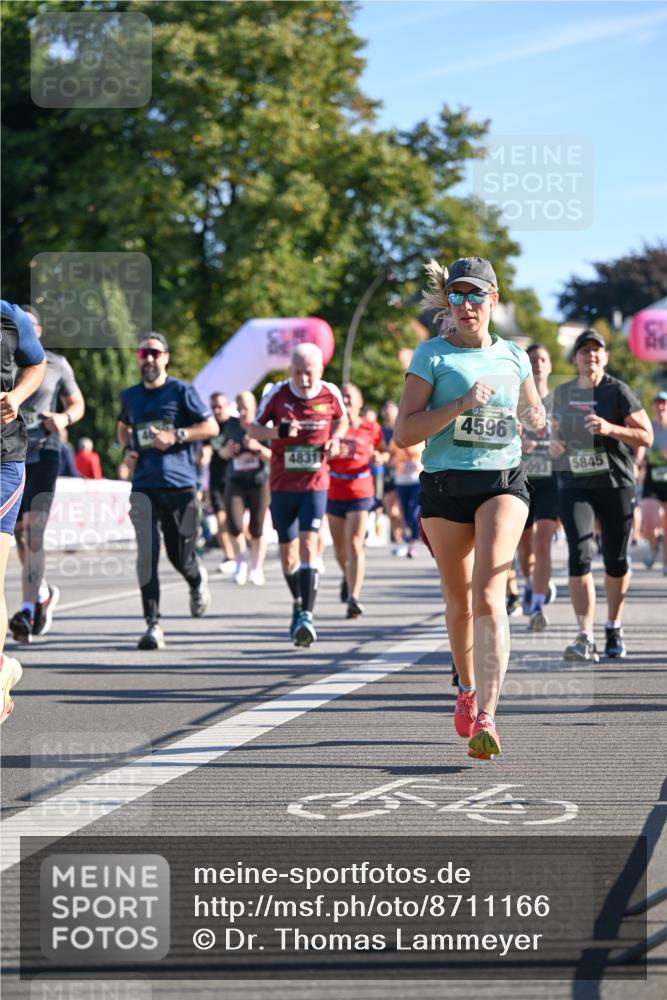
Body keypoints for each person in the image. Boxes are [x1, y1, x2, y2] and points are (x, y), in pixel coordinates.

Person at [396, 257, 545, 759]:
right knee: (458, 603)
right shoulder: (431, 356)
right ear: (448, 303)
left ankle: (488, 714)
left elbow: (532, 409)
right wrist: (459, 405)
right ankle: (465, 687)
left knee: (487, 594)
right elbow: (405, 433)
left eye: (475, 296)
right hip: (444, 486)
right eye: (456, 296)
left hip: (503, 481)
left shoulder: (514, 355)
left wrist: (539, 415)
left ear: (492, 301)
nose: (466, 305)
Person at [550, 330, 653, 661]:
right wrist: (555, 444)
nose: (590, 355)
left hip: (615, 482)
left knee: (615, 559)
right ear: (575, 358)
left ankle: (613, 624)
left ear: (605, 357)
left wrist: (611, 429)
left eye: (596, 350)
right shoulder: (563, 392)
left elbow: (645, 436)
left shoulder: (617, 391)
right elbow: (553, 433)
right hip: (575, 481)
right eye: (584, 350)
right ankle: (584, 635)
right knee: (578, 554)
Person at [117, 332, 219, 650]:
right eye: (143, 353)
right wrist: (127, 450)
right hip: (144, 486)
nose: (148, 358)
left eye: (154, 353)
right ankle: (153, 625)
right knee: (146, 556)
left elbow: (211, 427)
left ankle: (196, 578)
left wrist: (176, 435)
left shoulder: (181, 391)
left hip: (180, 486)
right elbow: (123, 426)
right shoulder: (131, 396)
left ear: (166, 357)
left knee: (180, 555)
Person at [249, 343, 346, 647]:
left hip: (315, 484)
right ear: (289, 370)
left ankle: (306, 614)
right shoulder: (277, 393)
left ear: (320, 370)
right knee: (287, 557)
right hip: (281, 485)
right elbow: (252, 431)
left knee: (308, 546)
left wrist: (335, 439)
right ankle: (298, 601)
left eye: (309, 373)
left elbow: (342, 420)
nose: (304, 379)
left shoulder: (330, 393)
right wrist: (277, 433)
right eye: (298, 372)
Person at [9, 305, 84, 644]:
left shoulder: (55, 363)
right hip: (12, 452)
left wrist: (65, 419)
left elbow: (77, 404)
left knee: (34, 530)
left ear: (38, 329)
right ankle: (40, 592)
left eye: (29, 324)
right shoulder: (4, 358)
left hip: (45, 451)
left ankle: (27, 608)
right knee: (21, 534)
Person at [1, 300, 46, 723]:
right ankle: (4, 668)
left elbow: (37, 363)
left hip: (3, 459)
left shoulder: (9, 317)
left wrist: (16, 395)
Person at [327, 383, 385, 617]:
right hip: (334, 489)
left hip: (361, 489)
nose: (346, 401)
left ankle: (354, 597)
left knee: (354, 543)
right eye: (342, 397)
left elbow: (385, 450)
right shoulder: (332, 427)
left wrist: (380, 456)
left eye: (350, 397)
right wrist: (328, 453)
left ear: (360, 402)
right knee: (340, 549)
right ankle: (347, 576)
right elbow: (319, 456)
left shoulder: (371, 427)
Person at [517, 343, 559, 631]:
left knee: (543, 541)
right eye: (533, 360)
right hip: (521, 479)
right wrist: (519, 440)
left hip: (551, 481)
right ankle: (532, 583)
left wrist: (563, 445)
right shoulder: (516, 400)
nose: (538, 364)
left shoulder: (561, 400)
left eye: (543, 359)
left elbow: (578, 438)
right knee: (524, 545)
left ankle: (538, 605)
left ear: (550, 365)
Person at [219, 390, 271, 586]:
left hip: (259, 481)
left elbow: (274, 457)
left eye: (246, 408)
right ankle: (240, 563)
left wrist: (257, 447)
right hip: (236, 481)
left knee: (257, 527)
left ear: (254, 408)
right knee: (234, 524)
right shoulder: (231, 425)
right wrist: (227, 451)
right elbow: (221, 452)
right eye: (239, 408)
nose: (242, 413)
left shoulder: (263, 425)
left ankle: (256, 567)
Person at [207, 393, 238, 575]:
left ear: (227, 405)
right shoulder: (210, 426)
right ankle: (230, 557)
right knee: (220, 519)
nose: (217, 410)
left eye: (219, 406)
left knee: (236, 522)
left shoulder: (235, 424)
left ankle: (240, 554)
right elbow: (204, 446)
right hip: (216, 478)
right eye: (213, 407)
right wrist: (206, 452)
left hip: (237, 478)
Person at [640, 390, 667, 574]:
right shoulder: (648, 427)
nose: (660, 407)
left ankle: (665, 562)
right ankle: (653, 546)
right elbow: (640, 449)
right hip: (652, 479)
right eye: (657, 403)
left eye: (664, 403)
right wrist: (640, 460)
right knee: (649, 521)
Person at [388, 436, 424, 558]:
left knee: (414, 511)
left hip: (417, 481)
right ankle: (407, 541)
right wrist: (392, 461)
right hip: (401, 481)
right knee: (405, 513)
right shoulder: (396, 439)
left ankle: (412, 542)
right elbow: (390, 455)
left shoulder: (421, 438)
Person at [380, 401, 407, 554]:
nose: (389, 413)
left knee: (402, 510)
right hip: (388, 474)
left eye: (392, 410)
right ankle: (399, 541)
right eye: (386, 410)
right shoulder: (382, 432)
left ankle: (407, 538)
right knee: (391, 511)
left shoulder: (403, 429)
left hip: (406, 475)